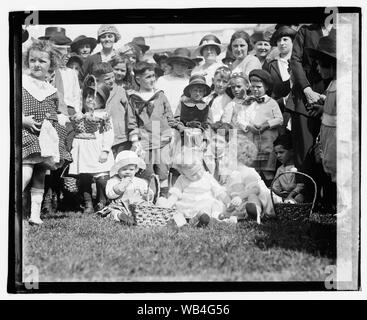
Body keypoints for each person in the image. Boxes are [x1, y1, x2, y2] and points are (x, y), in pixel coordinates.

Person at [22, 39, 72, 225]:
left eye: (42, 61)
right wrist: (22, 120)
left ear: (51, 65)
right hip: (25, 134)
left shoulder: (51, 90)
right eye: (33, 60)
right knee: (25, 172)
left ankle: (35, 214)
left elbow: (55, 111)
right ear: (28, 61)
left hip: (44, 137)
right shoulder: (22, 82)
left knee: (40, 174)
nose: (37, 64)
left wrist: (61, 120)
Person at [127, 61, 177, 197]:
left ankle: (164, 198)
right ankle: (148, 200)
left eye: (153, 76)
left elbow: (169, 115)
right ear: (138, 79)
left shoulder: (160, 95)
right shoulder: (133, 99)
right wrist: (134, 141)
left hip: (163, 139)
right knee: (146, 171)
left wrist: (172, 133)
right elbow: (132, 121)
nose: (152, 80)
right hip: (145, 140)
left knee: (163, 170)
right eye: (148, 77)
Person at [69, 80, 114, 213]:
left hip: (98, 149)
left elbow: (109, 133)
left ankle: (102, 200)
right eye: (88, 96)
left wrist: (105, 150)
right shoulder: (80, 115)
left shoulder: (104, 116)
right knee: (84, 177)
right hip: (83, 150)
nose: (90, 99)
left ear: (102, 100)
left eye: (94, 97)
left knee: (101, 177)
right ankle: (88, 203)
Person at [305, 33, 337, 211]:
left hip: (338, 141)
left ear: (330, 64)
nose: (317, 68)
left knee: (341, 177)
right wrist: (323, 109)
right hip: (329, 139)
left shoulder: (342, 87)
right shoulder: (332, 84)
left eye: (319, 64)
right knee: (331, 173)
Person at [159, 148, 230, 226]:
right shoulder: (182, 180)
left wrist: (228, 202)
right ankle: (183, 224)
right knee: (176, 212)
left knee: (214, 206)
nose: (199, 174)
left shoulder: (207, 177)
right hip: (187, 207)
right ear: (183, 174)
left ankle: (212, 219)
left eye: (200, 169)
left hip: (204, 206)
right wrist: (167, 206)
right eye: (194, 174)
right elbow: (175, 194)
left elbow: (219, 191)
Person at [219, 138, 276, 224]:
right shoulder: (232, 176)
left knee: (252, 197)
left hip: (260, 199)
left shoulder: (247, 171)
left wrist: (240, 197)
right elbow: (230, 193)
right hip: (242, 202)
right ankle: (243, 216)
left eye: (227, 155)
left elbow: (255, 189)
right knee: (232, 208)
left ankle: (255, 214)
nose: (224, 159)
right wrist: (230, 203)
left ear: (240, 156)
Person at [242, 69, 283, 185]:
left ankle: (271, 193)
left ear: (266, 88)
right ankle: (257, 195)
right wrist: (249, 127)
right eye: (253, 86)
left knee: (267, 171)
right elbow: (242, 118)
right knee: (255, 171)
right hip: (253, 142)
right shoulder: (248, 102)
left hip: (268, 143)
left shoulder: (271, 103)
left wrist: (266, 125)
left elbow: (280, 119)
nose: (255, 89)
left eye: (259, 87)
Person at [92, 62, 140, 158]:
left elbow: (131, 114)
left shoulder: (120, 91)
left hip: (121, 139)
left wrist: (134, 135)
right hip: (101, 139)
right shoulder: (92, 93)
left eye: (112, 77)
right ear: (97, 79)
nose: (111, 81)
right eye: (107, 79)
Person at [102, 150, 152, 224]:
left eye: (131, 169)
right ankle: (121, 216)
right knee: (113, 211)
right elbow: (110, 195)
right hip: (120, 205)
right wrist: (120, 186)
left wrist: (147, 194)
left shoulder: (140, 182)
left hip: (137, 206)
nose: (128, 172)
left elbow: (148, 194)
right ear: (118, 170)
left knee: (146, 208)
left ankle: (140, 217)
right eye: (124, 169)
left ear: (136, 170)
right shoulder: (114, 181)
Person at [264, 25, 297, 133]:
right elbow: (266, 92)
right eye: (279, 40)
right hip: (279, 112)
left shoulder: (300, 62)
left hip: (299, 111)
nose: (282, 43)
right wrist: (281, 101)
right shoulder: (270, 65)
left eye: (285, 39)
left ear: (292, 42)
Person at [155, 48, 195, 115]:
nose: (180, 67)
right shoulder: (162, 80)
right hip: (164, 118)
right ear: (172, 64)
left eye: (184, 64)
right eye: (177, 64)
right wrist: (156, 125)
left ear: (188, 66)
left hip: (183, 119)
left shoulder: (190, 82)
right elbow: (156, 104)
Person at [272, 132, 305, 203]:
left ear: (292, 151)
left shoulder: (298, 167)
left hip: (295, 197)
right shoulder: (280, 169)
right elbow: (276, 188)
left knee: (299, 198)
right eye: (276, 153)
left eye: (281, 152)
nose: (278, 156)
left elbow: (301, 186)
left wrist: (290, 196)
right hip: (284, 198)